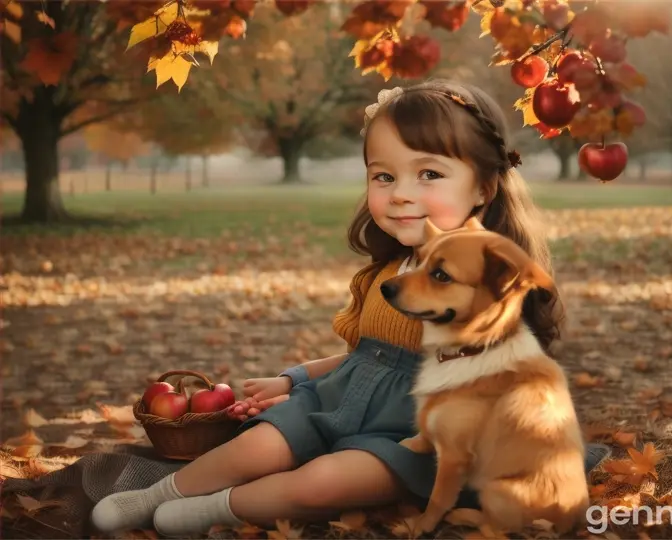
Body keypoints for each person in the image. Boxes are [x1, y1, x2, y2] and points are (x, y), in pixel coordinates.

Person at [91, 79, 610, 536]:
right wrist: (293, 380)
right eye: (384, 177)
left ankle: (219, 508)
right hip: (339, 398)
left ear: (483, 188)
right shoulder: (385, 273)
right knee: (256, 447)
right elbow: (366, 353)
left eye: (428, 174)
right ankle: (156, 496)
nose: (401, 194)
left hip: (411, 430)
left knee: (320, 483)